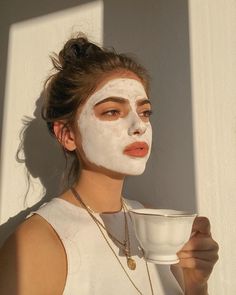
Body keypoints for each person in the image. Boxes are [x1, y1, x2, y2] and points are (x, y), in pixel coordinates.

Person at [0, 34, 219, 295]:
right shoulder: (37, 243)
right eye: (112, 111)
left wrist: (196, 283)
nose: (139, 126)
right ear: (67, 135)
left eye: (145, 112)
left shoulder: (151, 223)